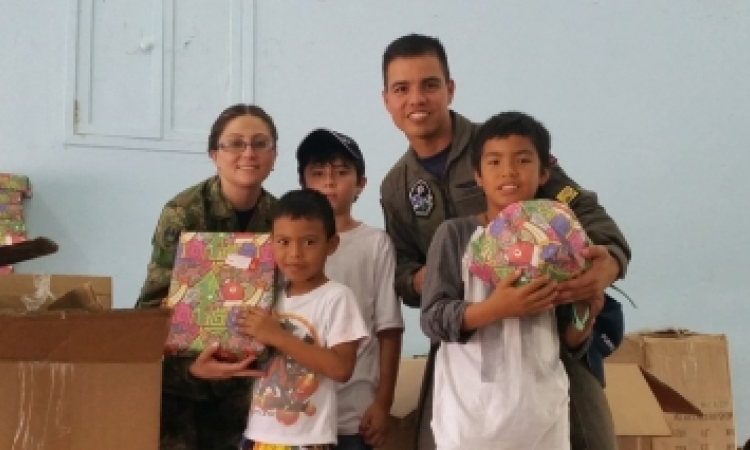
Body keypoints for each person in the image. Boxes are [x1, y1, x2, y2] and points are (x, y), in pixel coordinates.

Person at [379, 34, 631, 449]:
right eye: (401, 89)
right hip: (466, 344)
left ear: (449, 88)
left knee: (590, 438)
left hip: (546, 332)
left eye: (429, 84)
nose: (416, 99)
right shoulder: (396, 187)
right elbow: (402, 269)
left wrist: (609, 264)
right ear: (386, 99)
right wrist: (449, 278)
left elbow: (584, 212)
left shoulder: (502, 147)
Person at [422, 111, 597, 449]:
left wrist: (584, 318)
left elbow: (569, 341)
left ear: (544, 171)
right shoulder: (456, 236)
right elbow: (433, 318)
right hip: (470, 425)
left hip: (542, 422)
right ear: (478, 175)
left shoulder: (562, 240)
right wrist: (496, 308)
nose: (509, 172)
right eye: (494, 162)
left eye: (522, 160)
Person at [135, 103, 279, 450]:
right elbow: (151, 308)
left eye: (261, 143)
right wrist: (190, 369)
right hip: (185, 387)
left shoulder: (282, 219)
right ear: (214, 153)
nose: (249, 153)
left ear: (274, 154)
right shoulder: (184, 213)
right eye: (235, 143)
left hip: (250, 387)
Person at [227, 188, 369, 449]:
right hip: (258, 436)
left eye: (309, 242)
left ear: (331, 244)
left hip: (308, 440)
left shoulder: (337, 298)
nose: (295, 253)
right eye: (283, 242)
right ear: (271, 243)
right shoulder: (265, 294)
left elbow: (341, 368)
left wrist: (278, 336)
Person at [296, 129, 404, 449]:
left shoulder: (375, 244)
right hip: (298, 413)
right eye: (318, 173)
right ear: (303, 182)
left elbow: (388, 329)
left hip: (354, 415)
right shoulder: (288, 247)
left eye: (342, 172)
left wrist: (383, 403)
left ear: (361, 184)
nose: (329, 181)